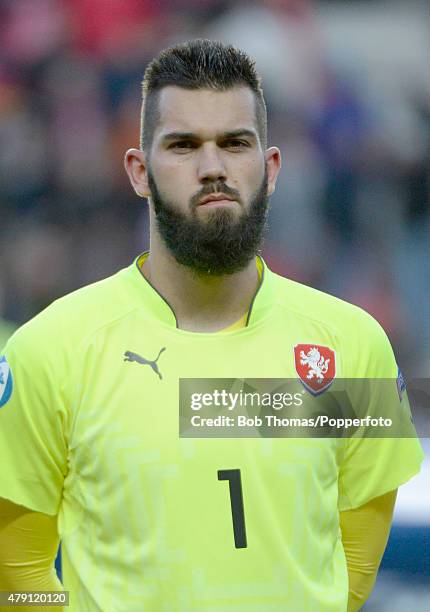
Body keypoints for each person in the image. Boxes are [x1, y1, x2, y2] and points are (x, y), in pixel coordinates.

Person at [0, 39, 424, 612]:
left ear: (269, 168)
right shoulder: (49, 351)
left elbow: (351, 572)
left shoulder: (352, 346)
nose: (213, 167)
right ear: (138, 170)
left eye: (234, 143)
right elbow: (19, 574)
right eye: (182, 145)